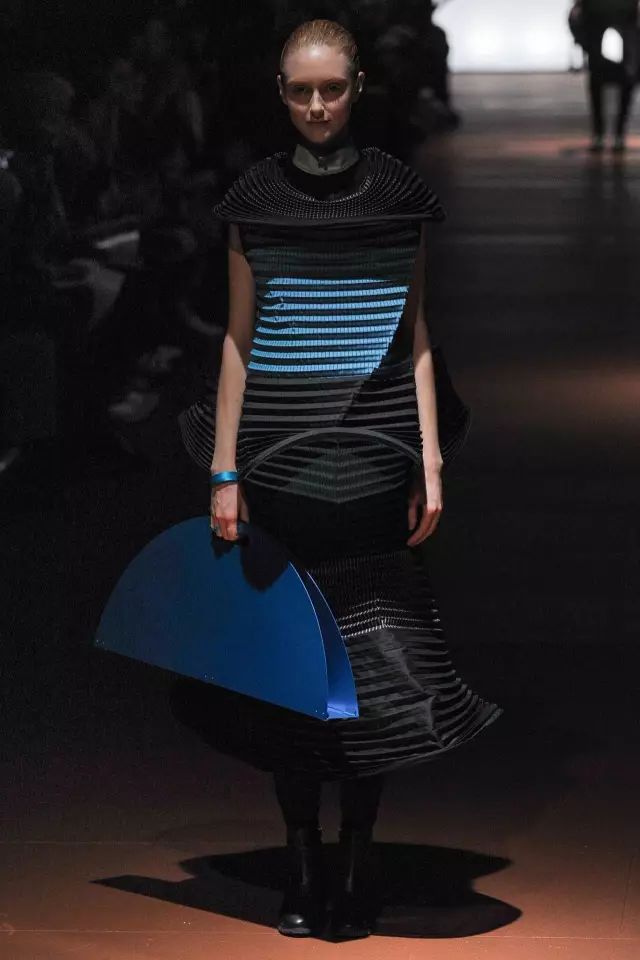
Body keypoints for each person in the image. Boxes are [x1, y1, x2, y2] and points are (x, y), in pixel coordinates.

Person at [176, 19, 502, 940]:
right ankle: (303, 860)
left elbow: (416, 333)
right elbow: (238, 341)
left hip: (373, 459)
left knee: (376, 673)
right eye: (299, 90)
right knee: (291, 674)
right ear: (279, 92)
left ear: (357, 87)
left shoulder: (398, 194)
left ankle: (356, 858)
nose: (316, 106)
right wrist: (224, 469)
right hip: (280, 461)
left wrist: (428, 456)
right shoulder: (253, 198)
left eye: (330, 88)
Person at [573, 0, 640, 151]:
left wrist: (583, 41)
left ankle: (602, 135)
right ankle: (616, 135)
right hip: (622, 43)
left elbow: (576, 17)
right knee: (623, 87)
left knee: (599, 86)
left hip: (602, 41)